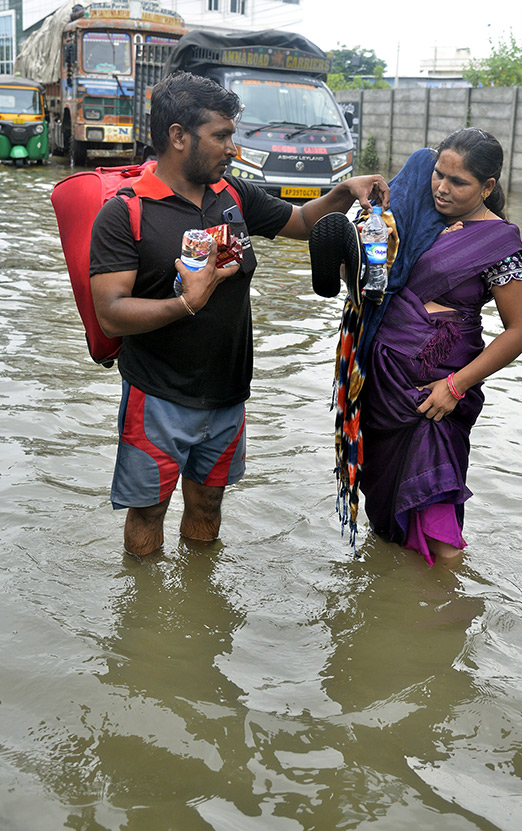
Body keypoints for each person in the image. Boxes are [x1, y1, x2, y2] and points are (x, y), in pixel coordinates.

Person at [89, 70, 389, 557]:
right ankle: (142, 616)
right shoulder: (126, 213)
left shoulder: (233, 195)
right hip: (158, 396)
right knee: (147, 514)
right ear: (178, 137)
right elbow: (111, 314)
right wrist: (187, 302)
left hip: (228, 395)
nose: (233, 147)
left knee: (208, 507)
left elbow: (300, 222)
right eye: (222, 135)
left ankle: (200, 608)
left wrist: (344, 191)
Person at [315, 129, 522, 565]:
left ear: (487, 187)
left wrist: (455, 387)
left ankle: (451, 617)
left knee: (438, 527)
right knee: (386, 513)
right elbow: (379, 284)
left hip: (435, 397)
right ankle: (397, 614)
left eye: (458, 182)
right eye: (438, 175)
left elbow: (521, 330)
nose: (442, 188)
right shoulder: (416, 218)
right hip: (383, 386)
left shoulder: (500, 243)